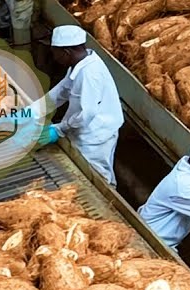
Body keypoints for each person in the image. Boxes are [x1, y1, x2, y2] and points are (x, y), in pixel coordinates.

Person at [29, 26, 124, 184]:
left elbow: (86, 114)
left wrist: (58, 130)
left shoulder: (89, 74)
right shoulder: (79, 64)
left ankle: (109, 202)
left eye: (55, 53)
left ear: (66, 52)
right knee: (84, 174)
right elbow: (60, 92)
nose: (54, 58)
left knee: (96, 176)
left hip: (94, 135)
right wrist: (29, 113)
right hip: (84, 129)